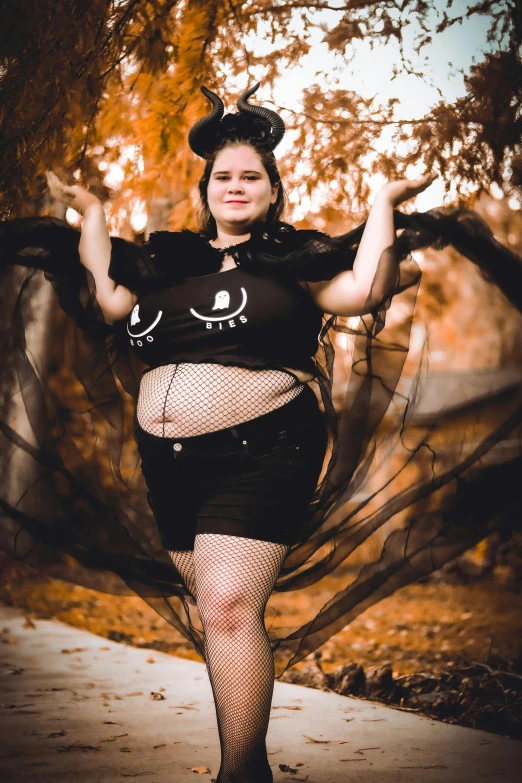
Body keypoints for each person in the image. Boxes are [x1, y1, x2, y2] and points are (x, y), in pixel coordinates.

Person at [1, 84, 521, 783]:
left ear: (273, 191)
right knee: (220, 615)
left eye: (251, 176)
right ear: (206, 190)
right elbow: (105, 297)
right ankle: (250, 766)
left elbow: (366, 288)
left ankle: (240, 773)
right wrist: (92, 213)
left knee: (227, 603)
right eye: (224, 176)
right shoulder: (165, 264)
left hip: (266, 448)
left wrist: (380, 203)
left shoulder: (295, 266)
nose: (236, 185)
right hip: (171, 465)